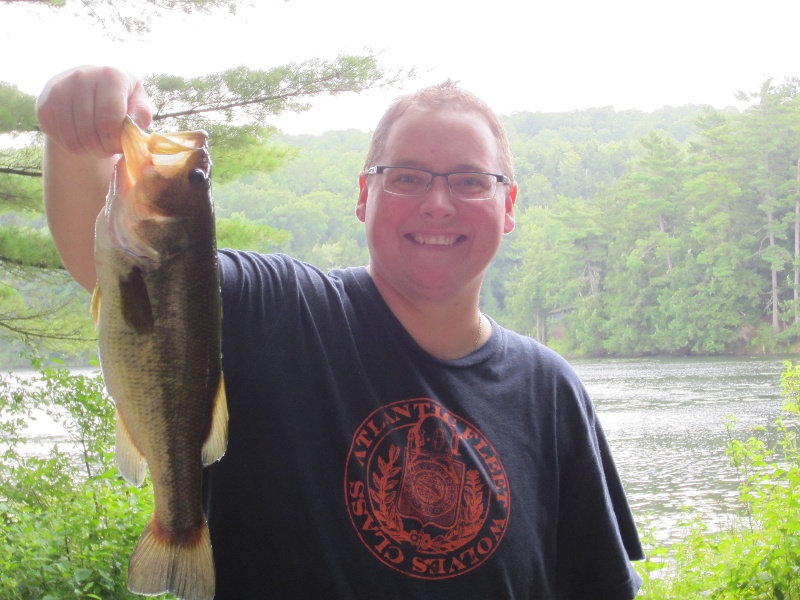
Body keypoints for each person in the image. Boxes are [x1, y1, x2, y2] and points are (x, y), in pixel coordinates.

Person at [37, 65, 644, 599]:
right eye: (406, 176)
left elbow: (595, 584)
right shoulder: (283, 310)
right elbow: (129, 274)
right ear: (364, 195)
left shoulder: (551, 390)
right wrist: (76, 138)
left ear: (508, 207)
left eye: (469, 180)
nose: (438, 203)